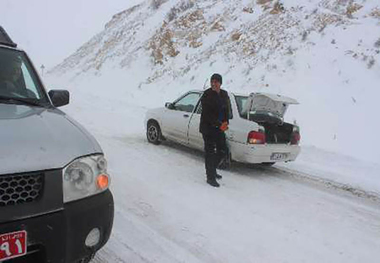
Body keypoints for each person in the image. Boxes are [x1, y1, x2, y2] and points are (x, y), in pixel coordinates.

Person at [200, 73, 230, 187]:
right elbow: (207, 114)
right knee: (210, 152)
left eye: (216, 82)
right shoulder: (207, 94)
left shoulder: (224, 94)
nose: (213, 84)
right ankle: (210, 177)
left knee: (223, 150)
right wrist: (219, 124)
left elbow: (227, 109)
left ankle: (213, 169)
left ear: (220, 83)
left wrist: (226, 122)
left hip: (219, 128)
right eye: (212, 81)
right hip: (208, 128)